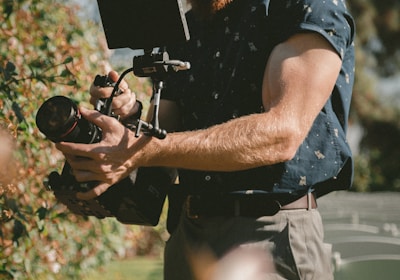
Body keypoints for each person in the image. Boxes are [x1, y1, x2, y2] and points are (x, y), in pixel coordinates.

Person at [56, 0, 355, 278]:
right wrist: (129, 118)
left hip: (268, 233)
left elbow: (282, 133)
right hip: (189, 235)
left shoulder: (304, 6)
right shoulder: (190, 26)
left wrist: (138, 150)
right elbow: (165, 141)